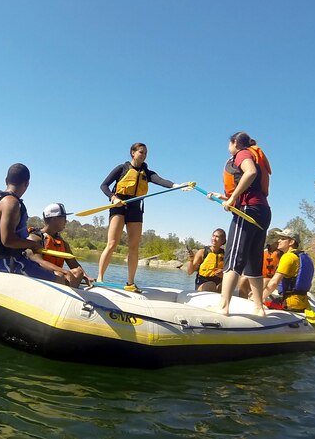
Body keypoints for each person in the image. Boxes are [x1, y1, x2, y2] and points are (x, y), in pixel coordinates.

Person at [97, 142, 188, 292]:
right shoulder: (122, 168)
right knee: (112, 243)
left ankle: (130, 282)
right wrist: (113, 198)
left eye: (145, 153)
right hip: (119, 206)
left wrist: (177, 185)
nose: (144, 155)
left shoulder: (147, 172)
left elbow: (161, 180)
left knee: (134, 247)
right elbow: (104, 186)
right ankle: (100, 278)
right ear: (132, 152)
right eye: (141, 152)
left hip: (135, 209)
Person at [208, 132, 272, 316]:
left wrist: (233, 198)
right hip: (262, 211)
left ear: (234, 142)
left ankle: (223, 307)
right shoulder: (253, 152)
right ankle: (259, 308)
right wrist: (226, 198)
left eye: (229, 143)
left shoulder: (242, 153)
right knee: (253, 260)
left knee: (233, 258)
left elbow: (251, 172)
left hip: (247, 210)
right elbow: (252, 186)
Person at [0, 163, 53, 280]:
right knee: (61, 279)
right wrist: (33, 244)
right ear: (27, 184)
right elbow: (8, 241)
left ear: (6, 180)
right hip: (3, 262)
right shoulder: (11, 202)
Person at [26, 203, 94, 288]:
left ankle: (71, 292)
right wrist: (63, 271)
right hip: (38, 276)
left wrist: (86, 276)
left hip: (58, 274)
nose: (66, 221)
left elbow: (74, 264)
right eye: (64, 218)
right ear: (54, 219)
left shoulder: (63, 243)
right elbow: (39, 261)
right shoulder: (34, 238)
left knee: (78, 272)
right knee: (59, 275)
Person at [262, 228, 314, 311]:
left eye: (283, 239)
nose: (279, 241)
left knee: (254, 298)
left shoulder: (288, 257)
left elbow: (274, 283)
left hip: (289, 304)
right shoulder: (305, 256)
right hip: (302, 303)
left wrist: (260, 298)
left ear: (291, 242)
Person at [239, 227, 283, 298]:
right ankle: (243, 300)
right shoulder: (263, 252)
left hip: (276, 282)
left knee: (266, 281)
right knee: (243, 279)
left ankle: (255, 297)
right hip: (262, 279)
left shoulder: (283, 254)